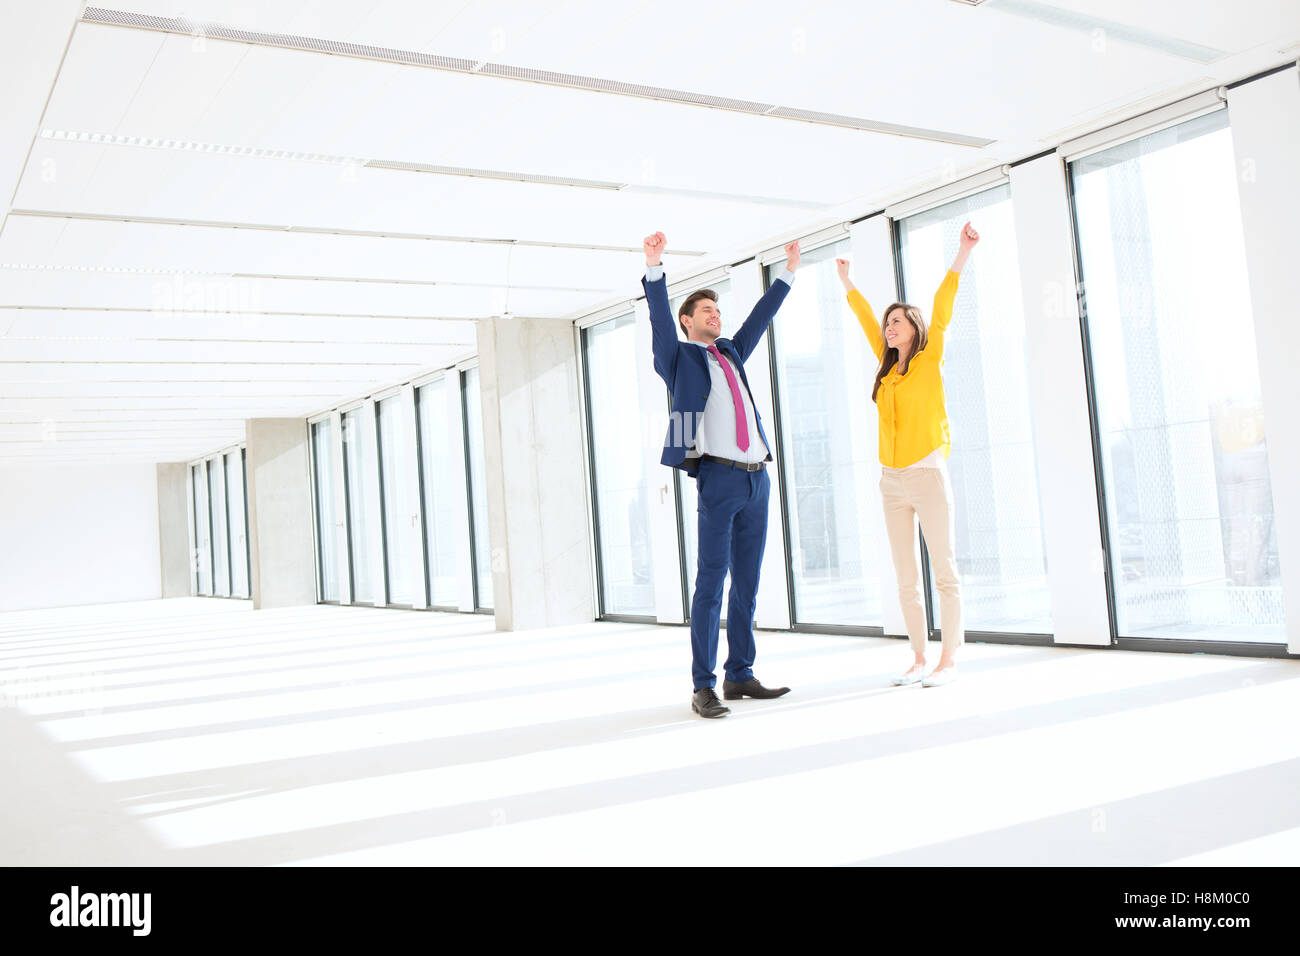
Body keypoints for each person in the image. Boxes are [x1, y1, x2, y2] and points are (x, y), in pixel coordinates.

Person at [642, 231, 800, 718]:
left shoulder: (730, 352)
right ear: (689, 321)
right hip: (719, 477)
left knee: (748, 583)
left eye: (717, 309)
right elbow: (661, 323)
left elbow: (757, 321)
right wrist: (655, 266)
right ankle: (702, 685)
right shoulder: (680, 358)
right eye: (705, 311)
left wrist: (788, 274)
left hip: (757, 479)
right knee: (711, 581)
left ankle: (739, 675)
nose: (715, 314)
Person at [836, 221, 980, 687]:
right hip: (891, 481)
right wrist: (847, 283)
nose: (887, 326)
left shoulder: (928, 357)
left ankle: (949, 661)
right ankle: (918, 657)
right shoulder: (888, 371)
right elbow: (863, 319)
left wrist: (961, 254)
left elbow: (941, 309)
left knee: (945, 571)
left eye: (896, 320)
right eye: (887, 322)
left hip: (927, 474)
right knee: (904, 576)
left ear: (913, 328)